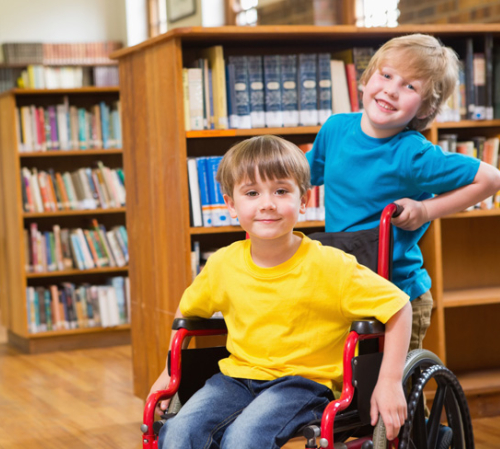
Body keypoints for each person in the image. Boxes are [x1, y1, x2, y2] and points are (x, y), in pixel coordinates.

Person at [148, 135, 412, 448]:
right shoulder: (223, 264)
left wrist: (390, 380)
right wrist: (169, 371)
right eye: (251, 192)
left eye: (281, 191)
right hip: (235, 379)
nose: (267, 203)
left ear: (304, 199)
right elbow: (187, 313)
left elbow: (398, 307)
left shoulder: (331, 265)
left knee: (243, 439)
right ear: (231, 204)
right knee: (177, 433)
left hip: (303, 384)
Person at [307, 34, 500, 352]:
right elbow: (304, 175)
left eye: (410, 86)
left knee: (395, 392)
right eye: (386, 75)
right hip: (346, 287)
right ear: (367, 78)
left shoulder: (413, 154)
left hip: (397, 295)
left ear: (424, 110)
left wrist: (425, 211)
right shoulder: (335, 129)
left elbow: (492, 179)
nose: (391, 90)